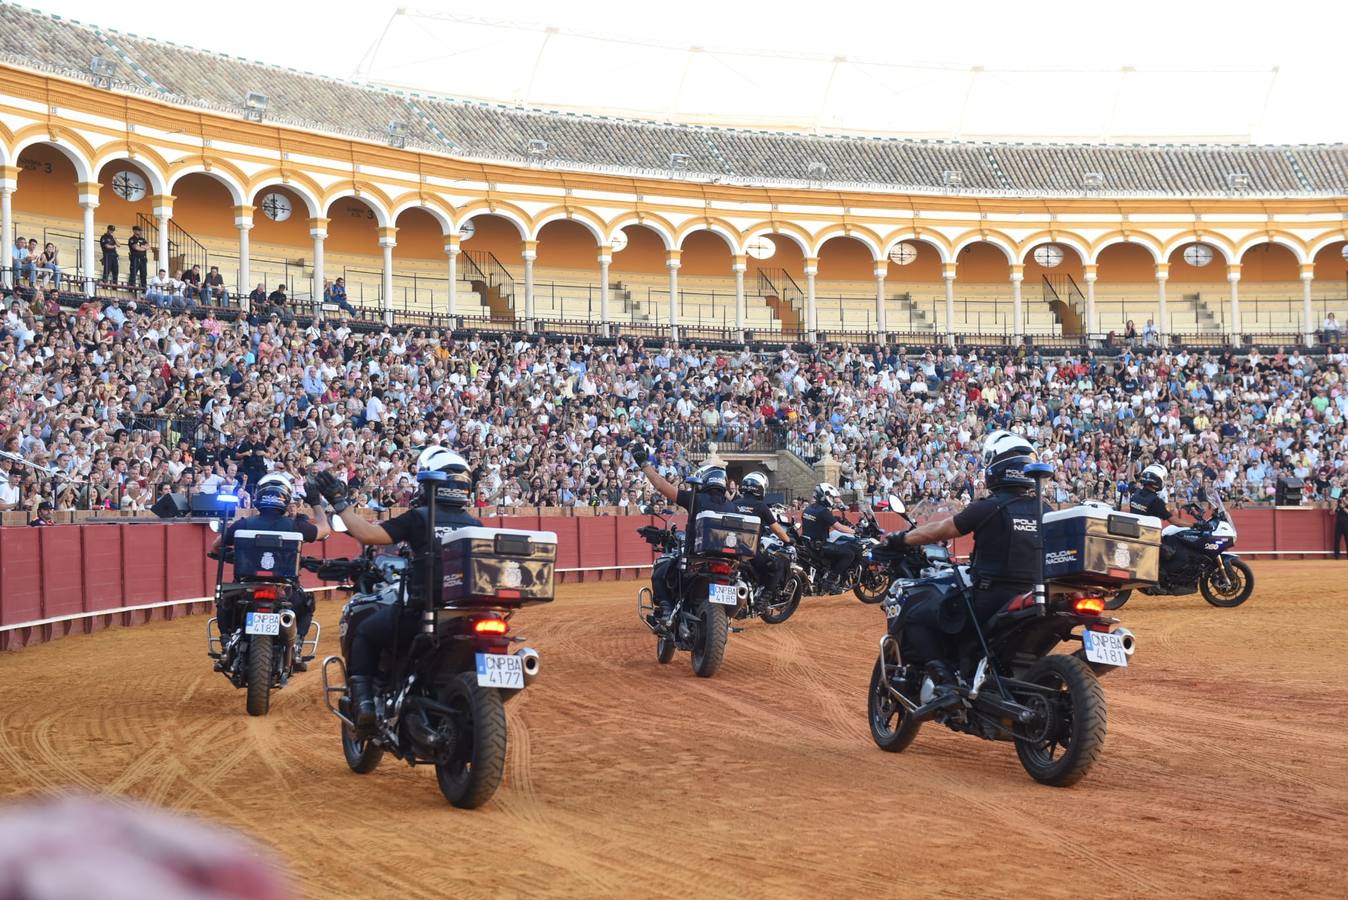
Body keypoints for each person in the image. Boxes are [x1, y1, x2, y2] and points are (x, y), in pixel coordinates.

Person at [311, 446, 478, 731]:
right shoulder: (475, 524)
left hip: (422, 614)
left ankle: (363, 706)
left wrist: (339, 501)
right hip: (467, 615)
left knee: (365, 632)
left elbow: (368, 534)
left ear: (429, 483)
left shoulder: (420, 517)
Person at [894, 430, 1050, 696]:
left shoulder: (988, 506)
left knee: (916, 614)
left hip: (991, 596)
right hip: (1035, 598)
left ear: (998, 466)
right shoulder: (1044, 509)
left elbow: (939, 530)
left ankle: (944, 680)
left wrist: (902, 539)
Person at [210, 472, 330, 670]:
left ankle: (226, 643)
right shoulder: (296, 525)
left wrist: (234, 554)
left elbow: (216, 546)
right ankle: (297, 646)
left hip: (245, 588)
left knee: (225, 602)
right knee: (307, 605)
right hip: (285, 590)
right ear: (285, 499)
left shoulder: (243, 524)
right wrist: (316, 504)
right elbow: (325, 530)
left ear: (259, 498)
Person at [631, 446, 732, 618]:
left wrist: (644, 464)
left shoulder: (696, 498)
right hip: (727, 561)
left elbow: (661, 486)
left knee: (661, 569)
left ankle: (666, 608)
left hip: (696, 558)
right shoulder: (733, 506)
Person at [729, 471, 793, 602]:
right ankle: (765, 598)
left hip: (730, 549)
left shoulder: (734, 503)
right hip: (751, 552)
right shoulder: (761, 506)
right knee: (780, 563)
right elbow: (777, 530)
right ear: (761, 488)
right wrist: (788, 540)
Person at [800, 482, 859, 593]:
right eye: (831, 497)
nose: (832, 499)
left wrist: (836, 518)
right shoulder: (823, 511)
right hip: (820, 546)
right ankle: (830, 581)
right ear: (824, 496)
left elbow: (821, 522)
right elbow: (839, 528)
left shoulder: (808, 509)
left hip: (807, 544)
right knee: (849, 553)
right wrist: (855, 531)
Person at [127, 225, 149, 290]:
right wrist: (143, 248)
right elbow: (136, 247)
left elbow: (148, 246)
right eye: (138, 230)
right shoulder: (132, 239)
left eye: (140, 230)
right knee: (133, 273)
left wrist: (141, 246)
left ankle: (143, 289)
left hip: (143, 259)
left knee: (144, 274)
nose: (140, 231)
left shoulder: (142, 239)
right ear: (134, 231)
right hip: (135, 258)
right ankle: (131, 289)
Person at [1334, 492, 1348, 561]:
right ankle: (1337, 555)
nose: (1344, 499)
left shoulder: (1344, 505)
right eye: (1343, 498)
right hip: (1339, 524)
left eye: (1345, 498)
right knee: (1337, 540)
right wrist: (1335, 505)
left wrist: (1343, 507)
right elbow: (1332, 512)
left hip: (1347, 525)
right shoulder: (1339, 505)